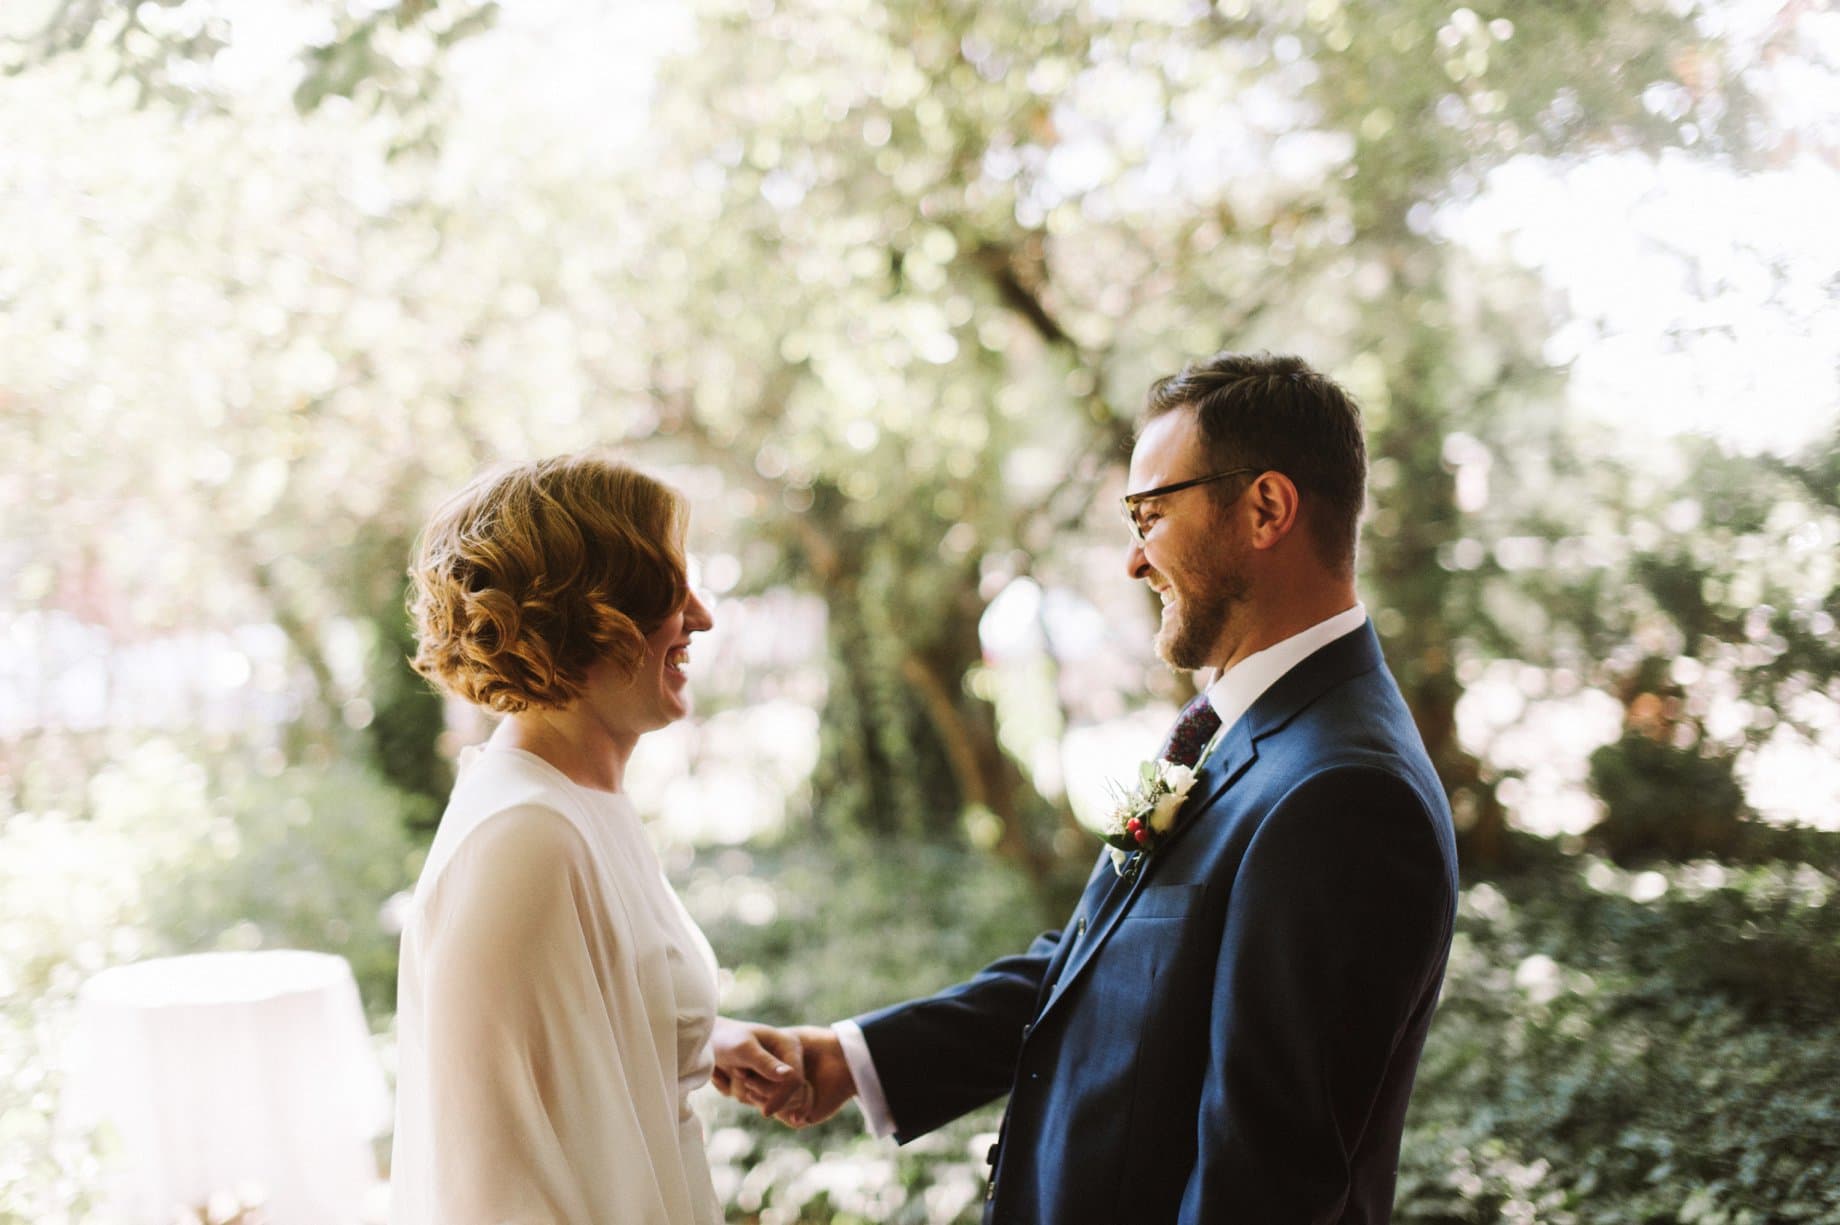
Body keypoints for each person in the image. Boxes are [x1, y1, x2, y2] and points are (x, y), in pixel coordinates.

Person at [721, 352, 1460, 1223]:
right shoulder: (1236, 731)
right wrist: (851, 1055)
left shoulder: (1343, 796)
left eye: (1150, 516)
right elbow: (1100, 959)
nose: (1133, 562)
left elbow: (1263, 1182)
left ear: (1266, 508)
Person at [390, 453, 805, 1225]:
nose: (702, 617)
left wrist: (693, 1036)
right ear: (591, 612)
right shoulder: (525, 836)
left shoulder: (579, 800)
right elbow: (494, 1186)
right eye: (671, 588)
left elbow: (575, 1028)